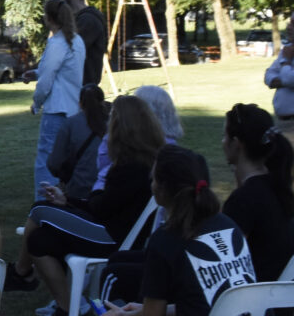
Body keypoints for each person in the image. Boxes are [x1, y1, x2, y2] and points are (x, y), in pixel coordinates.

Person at [6, 96, 164, 314]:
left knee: (39, 209)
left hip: (112, 238)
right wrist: (67, 200)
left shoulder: (131, 167)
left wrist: (85, 195)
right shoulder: (143, 161)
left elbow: (101, 208)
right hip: (111, 230)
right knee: (39, 240)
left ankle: (21, 272)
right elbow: (102, 206)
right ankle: (67, 307)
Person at [103, 145, 256, 316]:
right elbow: (205, 302)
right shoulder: (228, 225)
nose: (151, 184)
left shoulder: (165, 240)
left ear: (162, 188)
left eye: (153, 179)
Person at [221, 103, 294, 282]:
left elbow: (229, 265)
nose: (222, 142)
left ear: (237, 144)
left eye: (225, 136)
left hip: (257, 300)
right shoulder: (278, 186)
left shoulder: (244, 200)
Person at [30, 0, 86, 200]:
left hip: (56, 111)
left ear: (49, 18)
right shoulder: (77, 42)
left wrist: (36, 103)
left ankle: (42, 210)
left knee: (46, 162)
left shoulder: (57, 43)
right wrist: (35, 72)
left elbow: (47, 81)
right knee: (66, 162)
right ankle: (62, 206)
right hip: (73, 109)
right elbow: (63, 72)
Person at [46, 84, 108, 203]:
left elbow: (54, 163)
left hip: (79, 190)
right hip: (108, 189)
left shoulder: (71, 124)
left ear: (80, 103)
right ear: (103, 101)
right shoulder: (115, 123)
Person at [62, 0, 107, 86]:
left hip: (83, 88)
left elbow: (69, 49)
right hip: (79, 85)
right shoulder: (83, 18)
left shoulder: (88, 20)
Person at [266, 16, 294, 136]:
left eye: (293, 24)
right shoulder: (287, 50)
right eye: (289, 23)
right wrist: (286, 81)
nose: (288, 27)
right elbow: (268, 75)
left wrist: (286, 61)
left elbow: (290, 79)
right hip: (282, 123)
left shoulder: (287, 54)